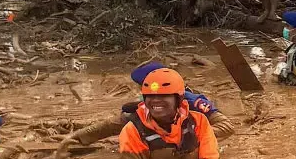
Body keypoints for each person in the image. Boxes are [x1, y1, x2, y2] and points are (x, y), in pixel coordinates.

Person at [64, 62, 235, 146]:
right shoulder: (145, 107)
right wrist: (75, 137)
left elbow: (227, 126)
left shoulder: (193, 101)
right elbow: (112, 125)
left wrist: (190, 135)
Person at [119, 68, 221, 159]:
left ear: (179, 98)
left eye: (164, 95)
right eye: (150, 96)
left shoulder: (198, 121)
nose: (155, 100)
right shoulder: (132, 131)